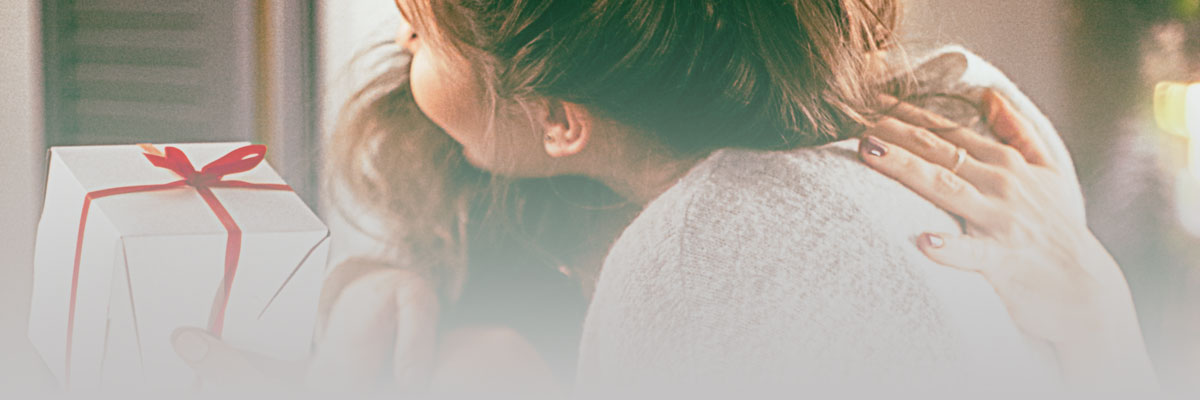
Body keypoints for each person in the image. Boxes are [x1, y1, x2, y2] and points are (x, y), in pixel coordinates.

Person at [160, 0, 1157, 397]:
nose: (399, 43)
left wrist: (1108, 327)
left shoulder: (703, 258)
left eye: (420, 34)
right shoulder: (525, 171)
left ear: (561, 119)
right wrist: (383, 297)